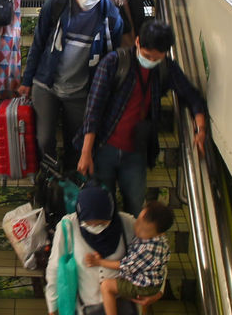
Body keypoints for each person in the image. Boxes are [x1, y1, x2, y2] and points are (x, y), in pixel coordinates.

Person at [77, 20, 207, 216]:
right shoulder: (113, 63)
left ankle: (132, 245)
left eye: (157, 57)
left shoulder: (166, 68)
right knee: (103, 209)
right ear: (137, 42)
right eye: (147, 56)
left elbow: (191, 95)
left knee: (135, 208)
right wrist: (86, 152)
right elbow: (93, 109)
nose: (151, 61)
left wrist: (201, 128)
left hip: (136, 152)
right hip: (104, 148)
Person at [19, 0, 125, 170]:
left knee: (75, 143)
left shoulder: (111, 18)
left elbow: (112, 58)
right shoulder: (58, 3)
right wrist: (27, 80)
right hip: (46, 83)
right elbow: (39, 43)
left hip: (81, 92)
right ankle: (48, 177)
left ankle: (69, 182)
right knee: (44, 138)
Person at [45, 186, 162, 315]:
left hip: (123, 305)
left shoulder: (126, 223)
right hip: (87, 307)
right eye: (88, 223)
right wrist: (52, 308)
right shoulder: (68, 226)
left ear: (111, 214)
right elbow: (54, 268)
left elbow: (156, 253)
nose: (95, 227)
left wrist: (158, 291)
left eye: (102, 223)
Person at [86, 201, 175, 314]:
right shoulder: (162, 240)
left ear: (157, 233)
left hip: (144, 286)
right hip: (152, 282)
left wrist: (99, 262)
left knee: (106, 286)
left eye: (142, 230)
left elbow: (124, 265)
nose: (136, 228)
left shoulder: (147, 249)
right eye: (138, 222)